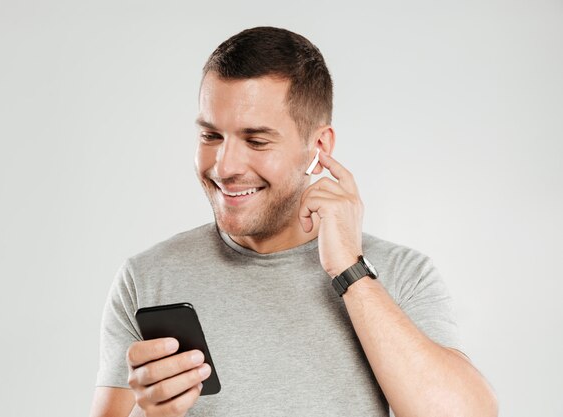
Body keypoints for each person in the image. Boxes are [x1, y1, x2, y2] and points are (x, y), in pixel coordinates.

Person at [90, 26, 498, 417]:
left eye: (256, 140)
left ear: (318, 148)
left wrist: (349, 271)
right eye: (211, 136)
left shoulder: (401, 273)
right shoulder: (147, 277)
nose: (224, 166)